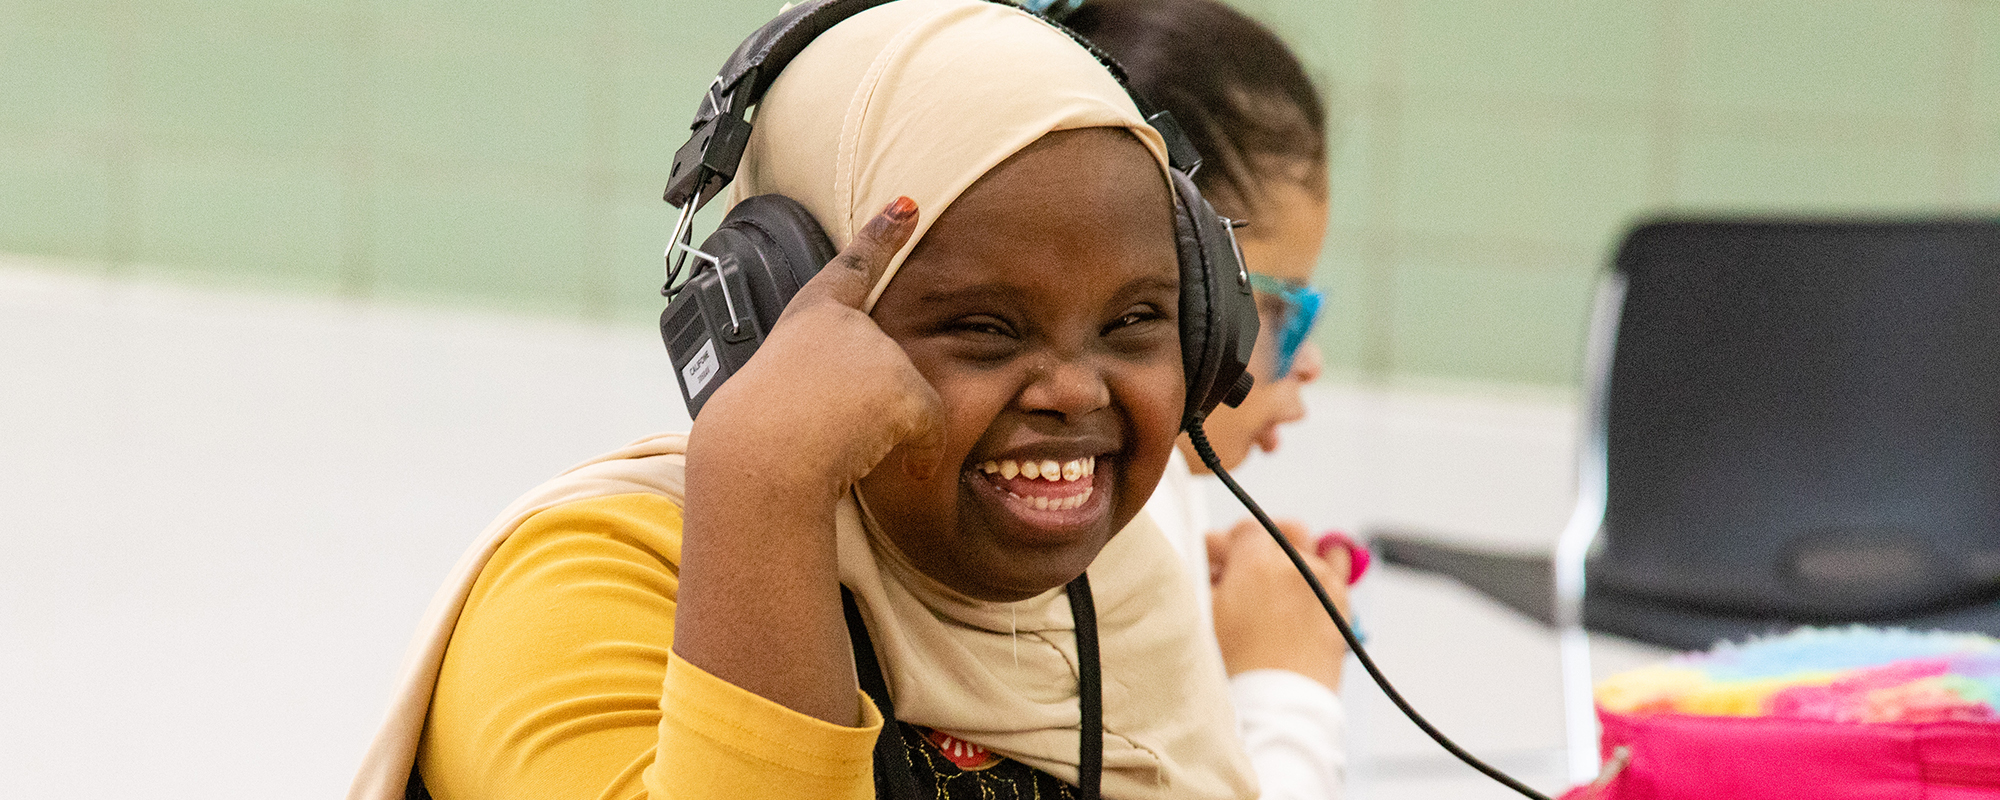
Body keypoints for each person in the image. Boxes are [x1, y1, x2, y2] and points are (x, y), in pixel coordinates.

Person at [348, 1, 1278, 798]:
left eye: (1134, 322)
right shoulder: (581, 597)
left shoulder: (1116, 598)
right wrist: (765, 488)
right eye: (985, 328)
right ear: (772, 311)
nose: (1075, 389)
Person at [1067, 1, 1355, 797]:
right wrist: (1286, 684)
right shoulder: (1121, 506)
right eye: (1277, 308)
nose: (1310, 361)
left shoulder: (1144, 493)